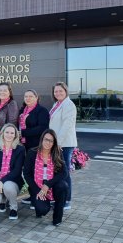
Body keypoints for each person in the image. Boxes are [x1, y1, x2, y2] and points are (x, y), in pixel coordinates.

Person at [23, 129, 68, 226]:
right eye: (46, 139)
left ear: (54, 143)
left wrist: (48, 185)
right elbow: (26, 174)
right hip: (36, 187)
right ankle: (39, 207)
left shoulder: (57, 153)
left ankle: (57, 218)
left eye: (51, 141)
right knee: (43, 209)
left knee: (63, 186)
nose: (48, 142)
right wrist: (38, 190)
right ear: (41, 139)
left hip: (51, 186)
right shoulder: (32, 152)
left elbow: (64, 173)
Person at [48, 82, 77, 211]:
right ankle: (59, 198)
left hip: (64, 144)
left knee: (64, 174)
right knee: (58, 172)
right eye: (56, 91)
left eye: (60, 91)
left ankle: (67, 200)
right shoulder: (57, 104)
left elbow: (67, 126)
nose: (58, 93)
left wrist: (57, 143)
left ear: (66, 91)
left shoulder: (69, 105)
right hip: (57, 143)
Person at [0, 123, 26, 220]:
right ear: (2, 133)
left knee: (7, 186)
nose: (9, 135)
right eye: (7, 132)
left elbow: (17, 171)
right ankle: (2, 201)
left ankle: (13, 208)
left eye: (12, 133)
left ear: (15, 135)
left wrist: (2, 182)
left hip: (13, 182)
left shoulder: (20, 149)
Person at [18, 89, 49, 207]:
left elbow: (42, 128)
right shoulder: (22, 110)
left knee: (37, 172)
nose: (28, 98)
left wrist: (23, 133)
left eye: (31, 96)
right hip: (23, 146)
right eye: (26, 96)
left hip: (35, 146)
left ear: (37, 98)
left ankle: (39, 197)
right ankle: (32, 195)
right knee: (28, 171)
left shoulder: (41, 111)